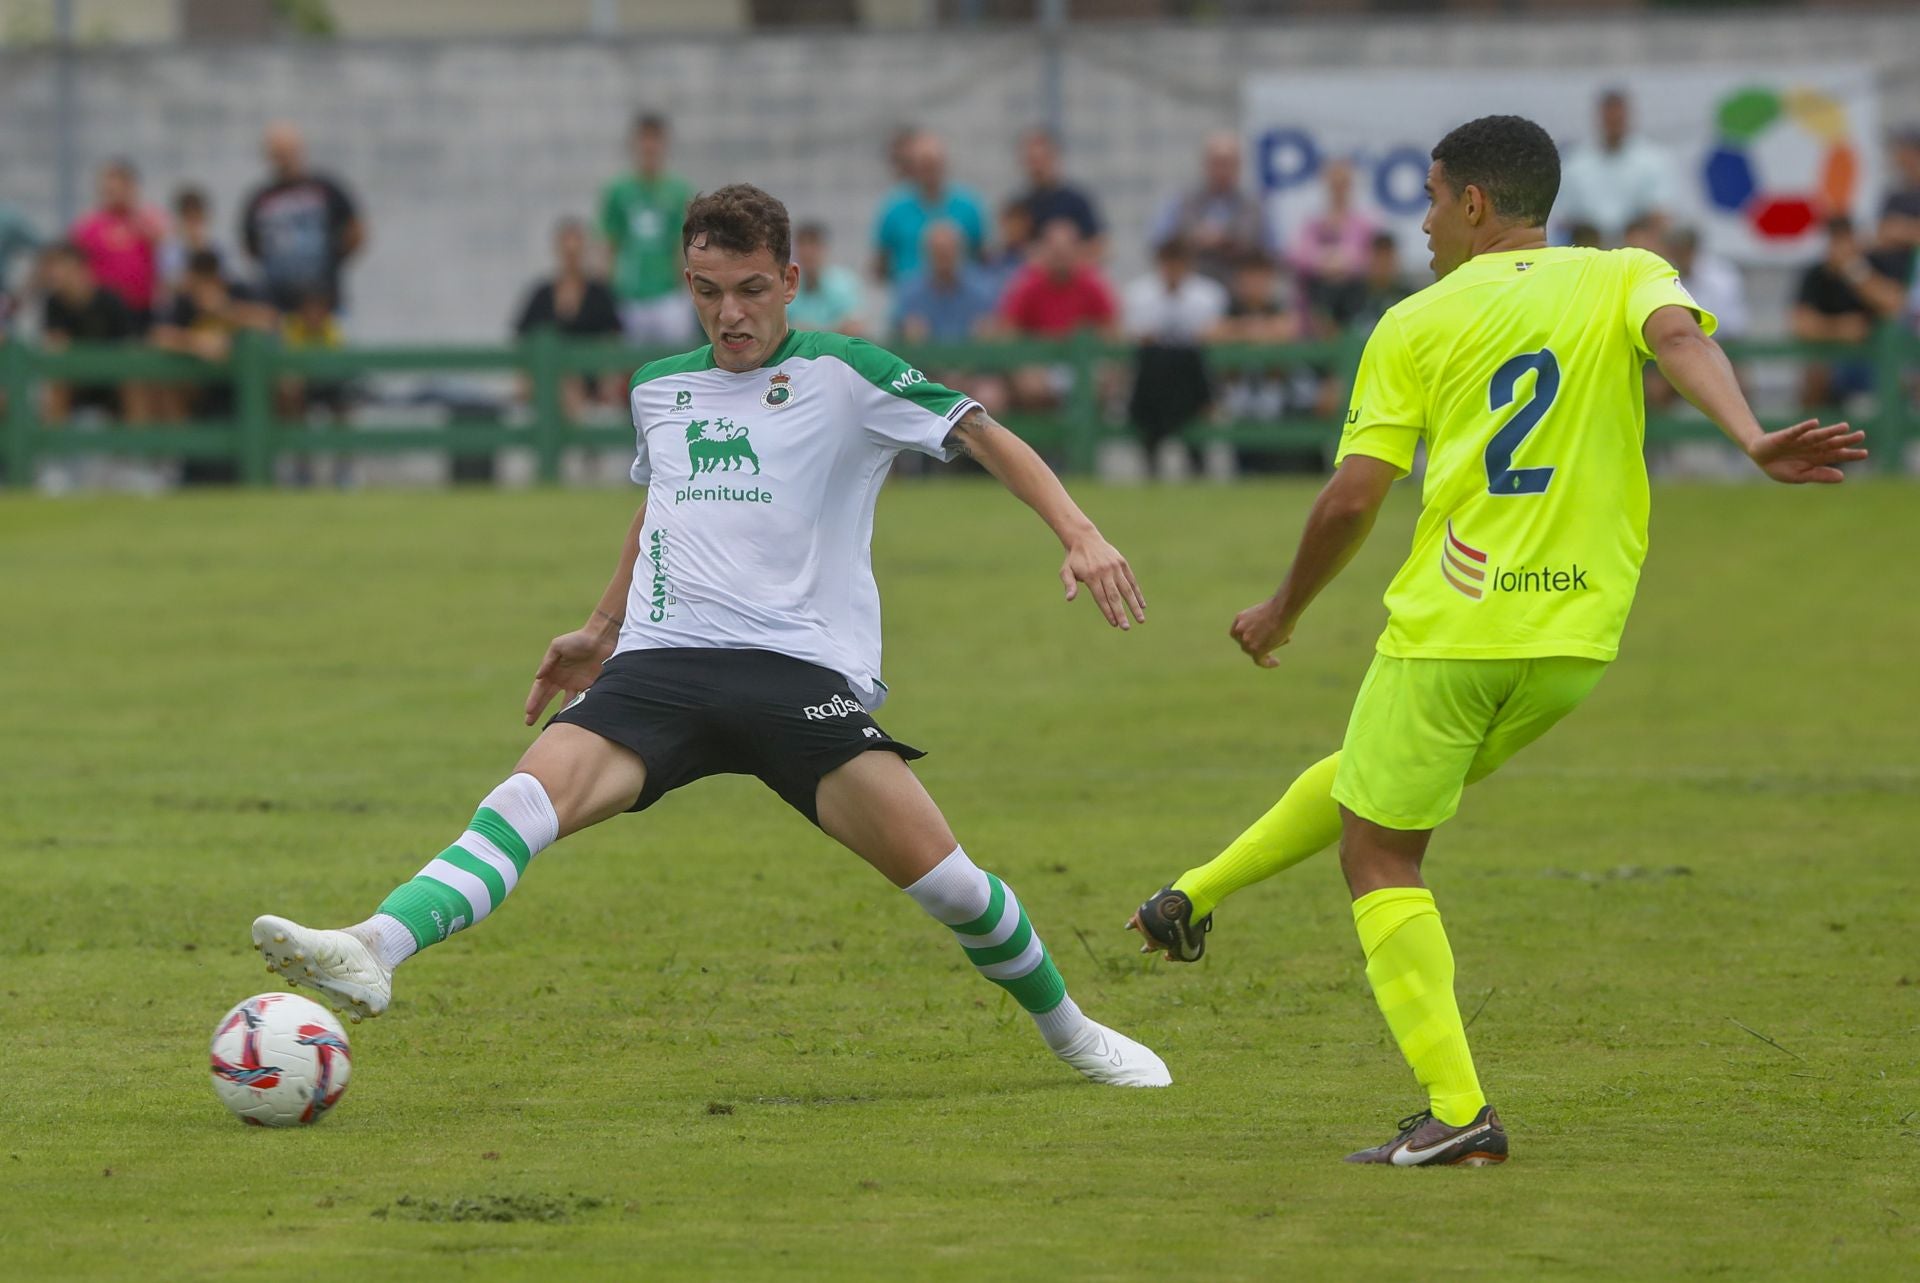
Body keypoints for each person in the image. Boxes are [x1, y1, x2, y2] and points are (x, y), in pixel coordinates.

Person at [250, 182, 1169, 1091]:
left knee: (951, 886)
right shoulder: (659, 387)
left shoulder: (848, 373)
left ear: (792, 279)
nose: (728, 314)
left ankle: (1074, 1033)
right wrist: (601, 627)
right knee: (526, 799)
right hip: (664, 661)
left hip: (795, 673)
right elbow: (661, 504)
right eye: (706, 290)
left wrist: (1080, 532)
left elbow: (983, 434)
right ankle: (375, 943)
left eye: (750, 290)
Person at [1127, 115, 1866, 1166]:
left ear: (1474, 204)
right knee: (1378, 778)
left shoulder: (1416, 320)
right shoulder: (1624, 272)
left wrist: (1284, 607)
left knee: (1379, 848)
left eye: (1431, 198)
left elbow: (1351, 499)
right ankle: (1190, 893)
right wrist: (1751, 437)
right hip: (1575, 638)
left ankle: (1457, 1108)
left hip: (1455, 625)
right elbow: (1682, 341)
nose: (1423, 221)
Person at [1124, 236, 1226, 475]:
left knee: (1185, 360)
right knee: (1157, 361)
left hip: (1192, 382)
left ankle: (1191, 450)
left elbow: (1215, 333)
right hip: (1153, 383)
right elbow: (1131, 336)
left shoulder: (1208, 294)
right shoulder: (1139, 294)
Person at [240, 122, 365, 315]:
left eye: (288, 151)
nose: (284, 159)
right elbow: (250, 245)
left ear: (300, 150)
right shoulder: (260, 199)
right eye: (277, 153)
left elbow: (356, 229)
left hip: (326, 303)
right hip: (277, 305)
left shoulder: (325, 189)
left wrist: (334, 258)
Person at [600, 112, 697, 347]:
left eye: (655, 139)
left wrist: (684, 289)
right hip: (629, 293)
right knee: (627, 365)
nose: (649, 146)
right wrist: (609, 290)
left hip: (668, 293)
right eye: (644, 139)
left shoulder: (678, 190)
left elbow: (683, 244)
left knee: (677, 361)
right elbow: (609, 242)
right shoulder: (619, 190)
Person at [513, 217, 624, 418]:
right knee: (564, 383)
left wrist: (609, 380)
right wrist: (524, 381)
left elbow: (613, 338)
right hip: (549, 378)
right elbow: (523, 339)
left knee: (571, 385)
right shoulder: (541, 294)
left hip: (590, 377)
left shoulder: (599, 294)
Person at [1790, 216, 1904, 409]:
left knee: (1896, 376)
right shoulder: (1816, 275)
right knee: (1816, 374)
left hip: (1874, 357)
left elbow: (1894, 303)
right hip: (1832, 359)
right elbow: (1801, 323)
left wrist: (1854, 270)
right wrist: (1839, 329)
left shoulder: (1874, 265)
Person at [1151, 131, 1274, 286]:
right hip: (1190, 288)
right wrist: (1193, 239)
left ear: (1239, 165)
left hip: (1241, 290)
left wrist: (1228, 241)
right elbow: (1159, 242)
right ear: (1205, 163)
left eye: (1228, 163)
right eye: (1217, 162)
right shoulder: (1181, 201)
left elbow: (1271, 252)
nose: (1222, 170)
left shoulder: (1256, 205)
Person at [37, 241, 140, 423]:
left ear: (79, 268)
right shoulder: (53, 303)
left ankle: (139, 445)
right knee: (58, 381)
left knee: (135, 382)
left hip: (112, 377)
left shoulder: (110, 300)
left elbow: (128, 347)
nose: (54, 274)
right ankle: (54, 445)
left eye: (60, 266)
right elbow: (56, 346)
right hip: (75, 378)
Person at [1556, 88, 1675, 243]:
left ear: (1627, 117)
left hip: (1637, 250)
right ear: (1599, 118)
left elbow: (1661, 215)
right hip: (1588, 250)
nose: (1613, 123)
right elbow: (1564, 219)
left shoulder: (1653, 160)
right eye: (1609, 117)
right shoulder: (1576, 162)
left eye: (1618, 118)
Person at [872, 133, 987, 284]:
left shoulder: (969, 206)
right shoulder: (893, 208)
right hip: (909, 296)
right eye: (924, 165)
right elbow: (880, 261)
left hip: (959, 294)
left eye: (934, 165)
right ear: (914, 167)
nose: (930, 171)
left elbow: (982, 256)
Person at [69, 158, 165, 330]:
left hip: (142, 309)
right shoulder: (89, 225)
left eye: (119, 186)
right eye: (108, 187)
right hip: (103, 312)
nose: (113, 191)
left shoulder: (148, 218)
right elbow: (75, 263)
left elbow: (164, 244)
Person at [1286, 158, 1380, 331]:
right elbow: (1298, 256)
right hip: (1316, 302)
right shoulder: (1313, 222)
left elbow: (1370, 258)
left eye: (1343, 183)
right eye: (1334, 183)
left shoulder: (1364, 223)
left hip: (1355, 301)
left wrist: (1343, 263)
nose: (1338, 189)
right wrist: (1324, 262)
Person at [894, 221, 1000, 344]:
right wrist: (907, 332)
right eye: (938, 252)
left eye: (948, 252)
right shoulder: (909, 292)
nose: (943, 258)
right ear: (926, 254)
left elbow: (994, 335)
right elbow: (896, 334)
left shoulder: (983, 291)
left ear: (960, 252)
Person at [1012, 127, 1103, 256]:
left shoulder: (1075, 201)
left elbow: (1099, 247)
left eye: (1042, 159)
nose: (1037, 167)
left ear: (1054, 157)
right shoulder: (1020, 206)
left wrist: (1062, 254)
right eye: (1032, 161)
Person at [786, 222, 865, 335]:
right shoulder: (785, 285)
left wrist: (809, 332)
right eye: (803, 245)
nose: (808, 252)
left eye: (813, 244)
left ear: (824, 248)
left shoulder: (846, 283)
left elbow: (855, 326)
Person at [157, 185, 225, 298]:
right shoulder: (170, 248)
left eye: (197, 219)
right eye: (189, 219)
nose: (193, 225)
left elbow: (226, 278)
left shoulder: (216, 246)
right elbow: (171, 283)